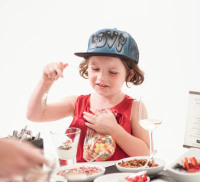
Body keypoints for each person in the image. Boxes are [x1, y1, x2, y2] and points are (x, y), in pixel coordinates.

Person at [27, 28, 150, 162]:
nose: (101, 78)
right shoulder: (75, 103)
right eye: (95, 69)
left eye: (113, 72)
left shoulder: (135, 108)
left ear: (129, 74)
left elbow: (146, 155)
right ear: (87, 67)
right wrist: (45, 82)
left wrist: (115, 131)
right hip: (83, 181)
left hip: (121, 181)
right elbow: (34, 115)